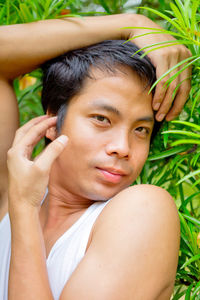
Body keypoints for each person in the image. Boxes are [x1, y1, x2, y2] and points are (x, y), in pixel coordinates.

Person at [0, 13, 191, 300]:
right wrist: (132, 24)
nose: (123, 147)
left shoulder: (142, 211)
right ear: (52, 118)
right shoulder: (6, 197)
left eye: (141, 129)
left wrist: (24, 208)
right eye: (102, 119)